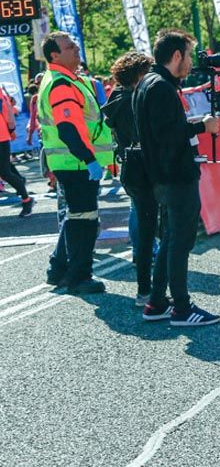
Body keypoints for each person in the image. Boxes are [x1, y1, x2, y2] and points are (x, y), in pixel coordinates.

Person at [133, 30, 220, 326]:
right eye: (188, 55)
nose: (190, 63)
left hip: (163, 175)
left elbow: (164, 130)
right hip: (175, 175)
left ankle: (157, 303)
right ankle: (182, 308)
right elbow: (168, 134)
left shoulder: (149, 83)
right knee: (180, 242)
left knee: (171, 239)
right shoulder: (160, 87)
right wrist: (201, 127)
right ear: (176, 56)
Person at [38, 32, 115, 294]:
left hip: (71, 162)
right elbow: (68, 127)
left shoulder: (67, 80)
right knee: (85, 219)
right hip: (76, 163)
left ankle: (58, 269)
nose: (76, 49)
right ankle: (79, 277)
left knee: (76, 216)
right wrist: (90, 159)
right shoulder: (62, 84)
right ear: (54, 56)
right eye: (70, 47)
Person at [102, 51, 158, 306]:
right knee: (149, 226)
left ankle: (145, 287)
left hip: (129, 165)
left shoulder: (117, 97)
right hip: (144, 165)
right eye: (148, 71)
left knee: (142, 218)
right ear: (139, 74)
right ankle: (147, 292)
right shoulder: (135, 98)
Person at [0, 85, 33, 217]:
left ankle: (27, 199)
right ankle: (20, 181)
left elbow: (7, 111)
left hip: (1, 136)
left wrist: (11, 129)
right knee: (6, 169)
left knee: (5, 172)